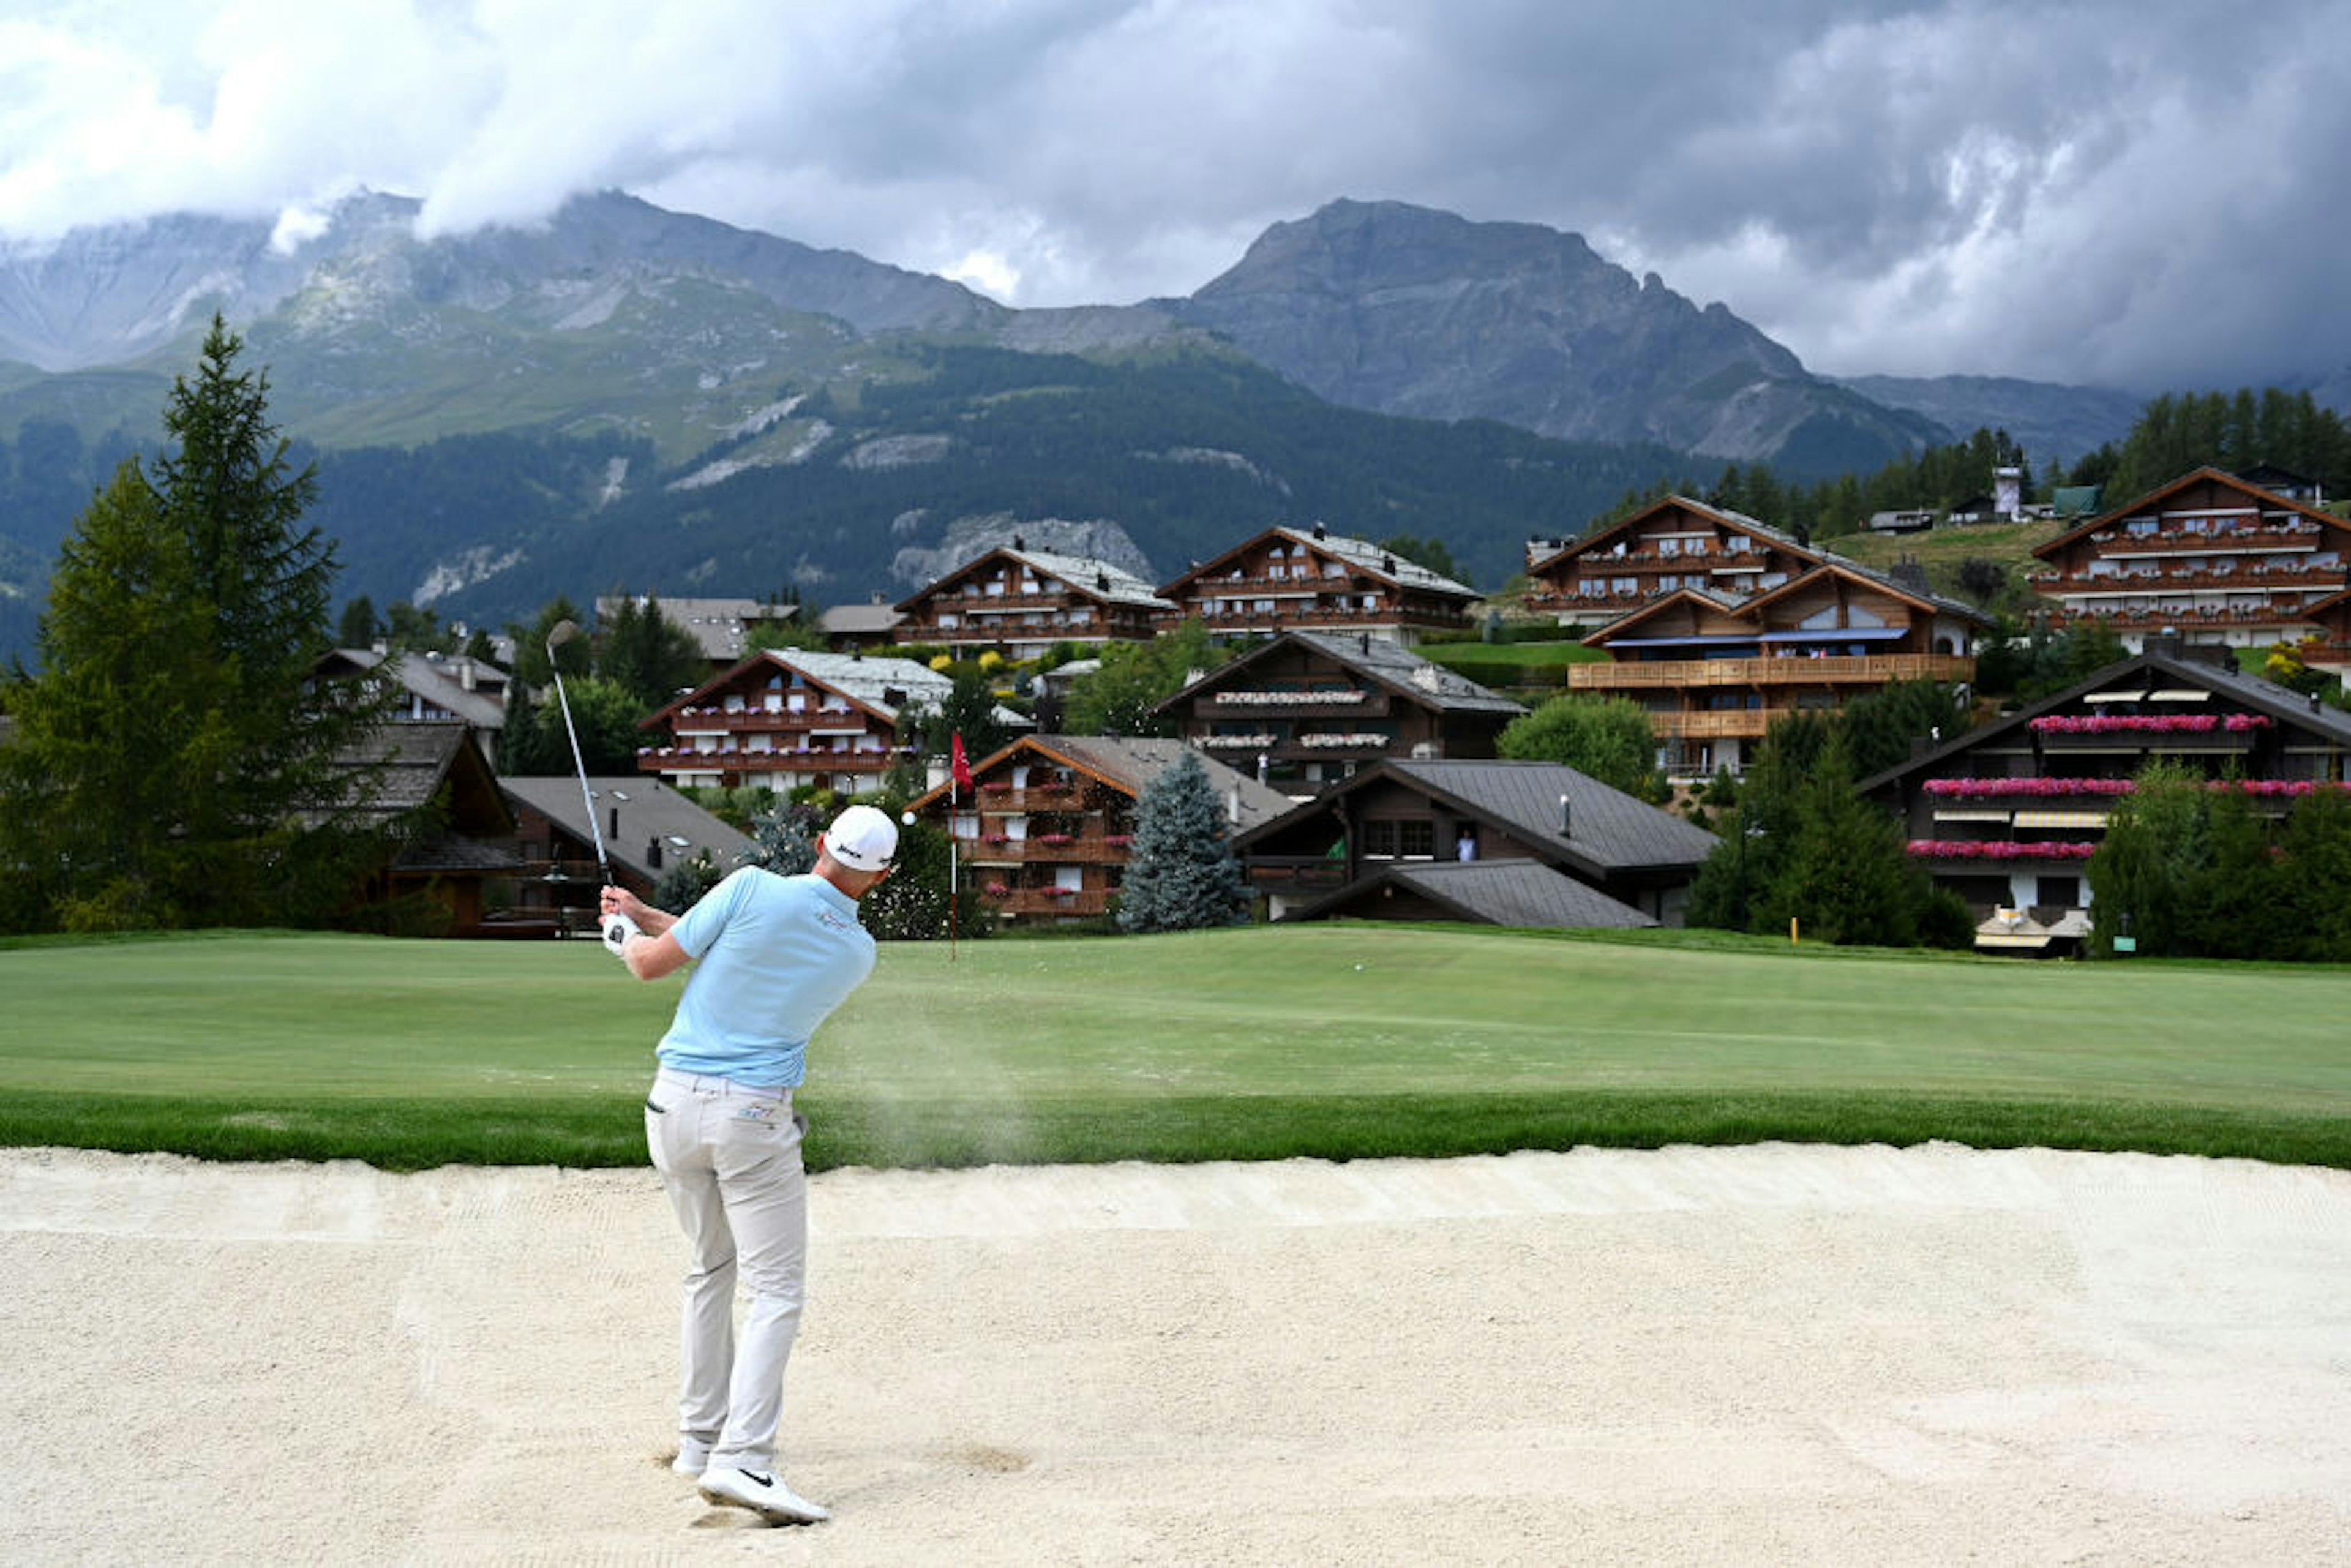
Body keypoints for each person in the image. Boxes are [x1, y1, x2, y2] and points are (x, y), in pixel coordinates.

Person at [597, 803, 898, 1526]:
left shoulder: (752, 886)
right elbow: (740, 947)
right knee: (778, 1291)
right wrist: (645, 912)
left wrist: (620, 928)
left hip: (672, 1110)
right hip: (752, 1120)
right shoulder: (857, 950)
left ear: (822, 843)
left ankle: (700, 1445)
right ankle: (745, 1457)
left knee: (711, 1270)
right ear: (880, 875)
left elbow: (653, 962)